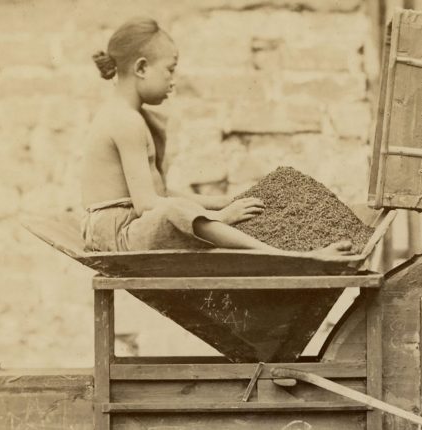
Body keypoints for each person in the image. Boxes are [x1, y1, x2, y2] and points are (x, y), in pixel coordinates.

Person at [79, 17, 351, 255]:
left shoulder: (136, 117)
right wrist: (218, 216)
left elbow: (161, 193)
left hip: (129, 226)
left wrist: (224, 201)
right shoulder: (125, 121)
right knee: (174, 212)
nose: (173, 80)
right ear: (141, 68)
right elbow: (149, 206)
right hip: (116, 235)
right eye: (169, 70)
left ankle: (287, 246)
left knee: (192, 209)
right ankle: (287, 256)